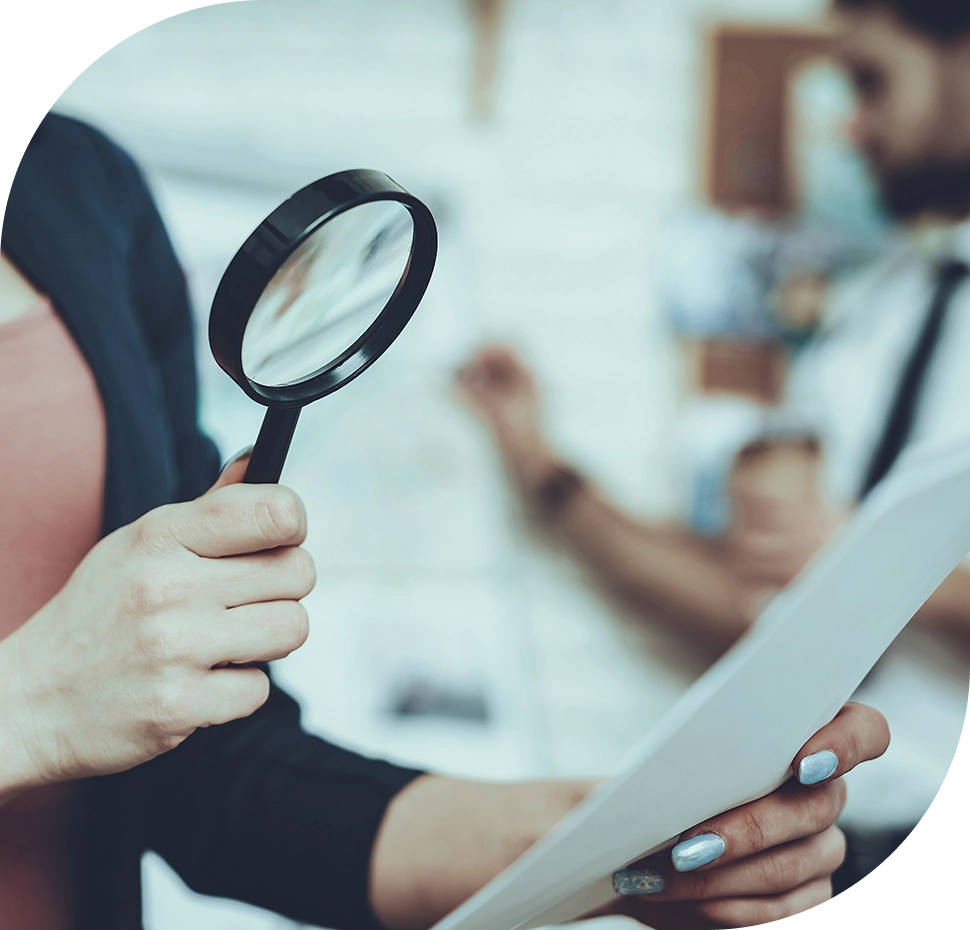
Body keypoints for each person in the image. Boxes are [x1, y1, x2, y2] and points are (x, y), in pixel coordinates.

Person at [0, 112, 890, 930]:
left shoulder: (84, 187)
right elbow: (66, 702)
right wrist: (29, 706)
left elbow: (206, 781)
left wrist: (613, 846)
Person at [456, 0, 970, 901]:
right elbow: (761, 610)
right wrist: (546, 472)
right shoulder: (868, 318)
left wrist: (865, 558)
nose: (848, 122)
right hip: (826, 854)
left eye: (871, 78)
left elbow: (835, 557)